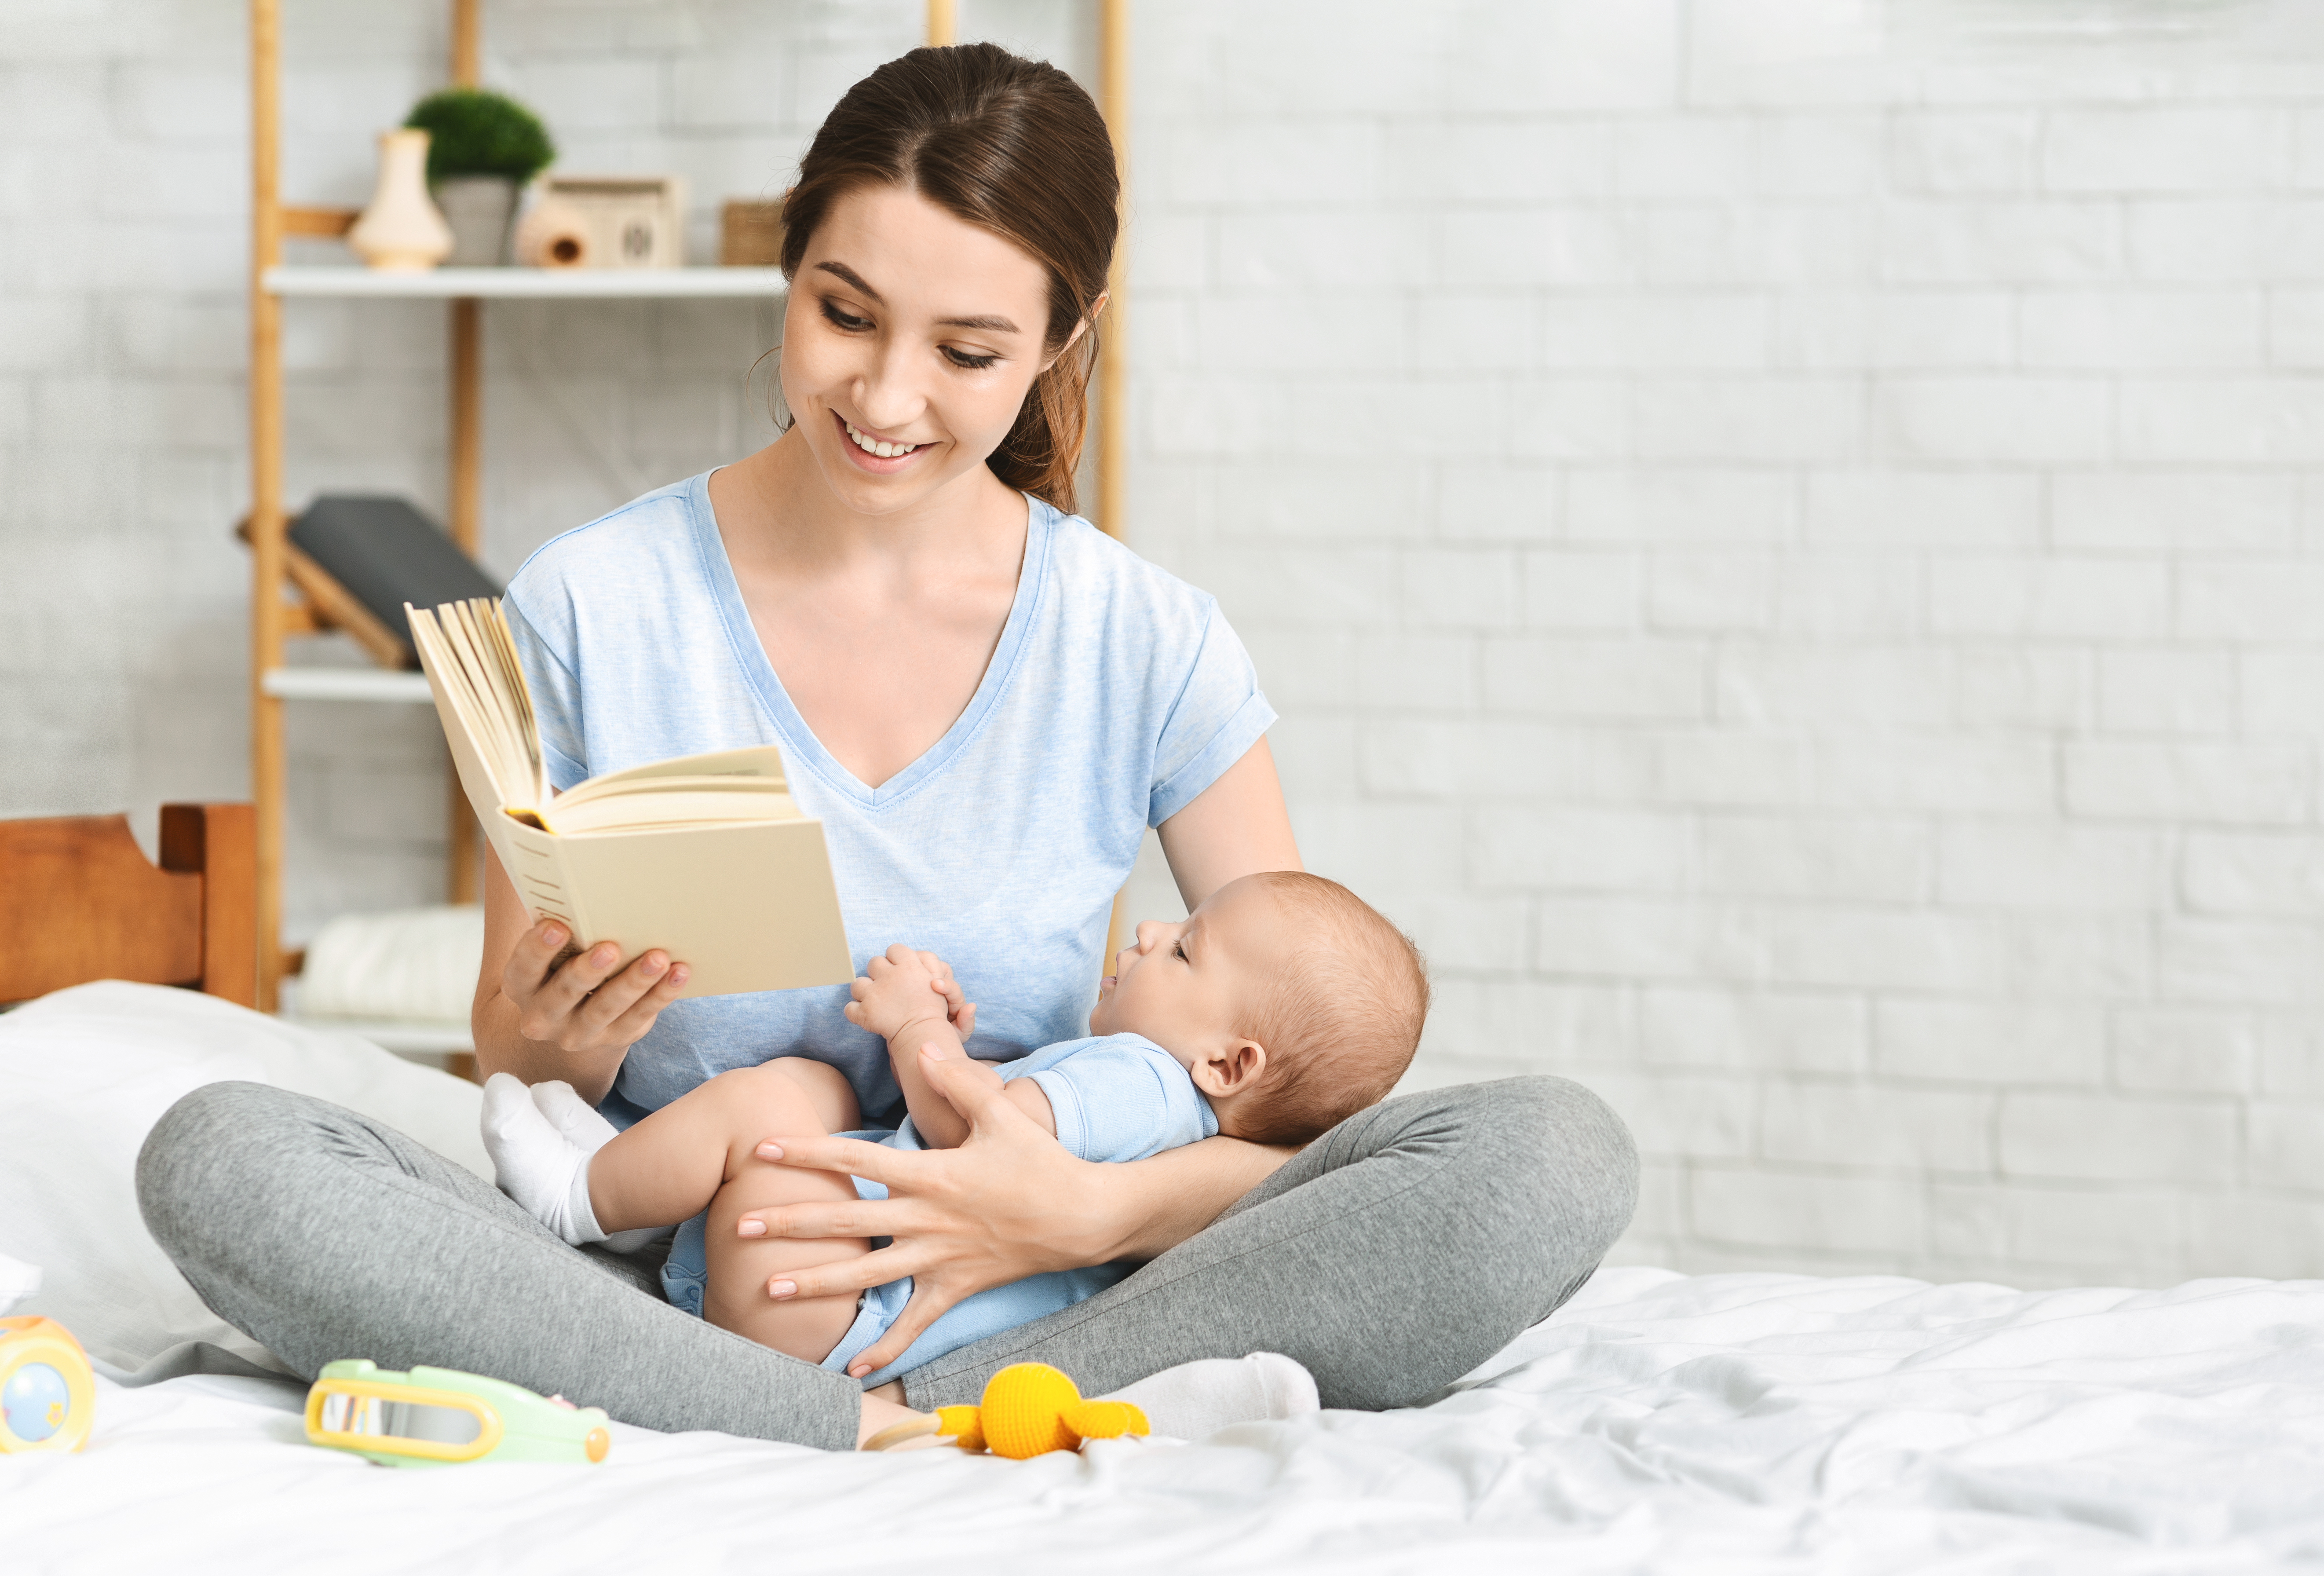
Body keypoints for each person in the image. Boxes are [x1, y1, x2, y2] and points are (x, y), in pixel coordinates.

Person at [136, 42, 1639, 1451]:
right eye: (843, 313)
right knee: (222, 1153)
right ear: (787, 271)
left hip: (1043, 1286)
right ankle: (834, 1422)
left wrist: (1073, 1216)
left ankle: (934, 1395)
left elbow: (1290, 1123)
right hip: (678, 1279)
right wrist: (557, 1035)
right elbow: (509, 1050)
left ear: (1059, 338)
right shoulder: (595, 603)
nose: (884, 396)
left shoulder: (1142, 638)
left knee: (1550, 1154)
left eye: (968, 350)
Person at [481, 870, 1429, 1390]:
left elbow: (968, 1132)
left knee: (778, 1108)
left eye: (1182, 949)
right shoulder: (1157, 1107)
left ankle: (579, 1201)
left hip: (835, 1304)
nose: (1145, 933)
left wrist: (914, 1027)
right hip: (827, 1304)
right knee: (813, 1093)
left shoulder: (1138, 1080)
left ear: (1226, 1065)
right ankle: (628, 1183)